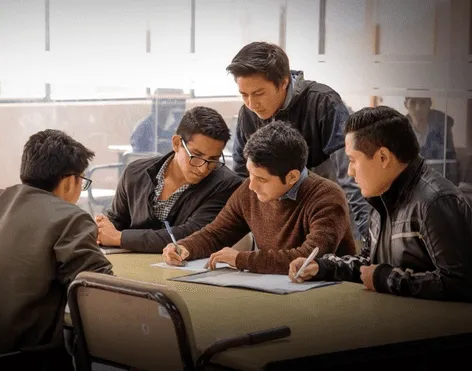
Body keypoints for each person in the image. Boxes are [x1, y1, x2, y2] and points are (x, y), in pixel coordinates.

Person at [0, 129, 113, 367]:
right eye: (82, 181)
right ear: (69, 181)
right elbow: (101, 292)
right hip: (13, 360)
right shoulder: (70, 218)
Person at [289, 106, 472, 303]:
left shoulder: (436, 202)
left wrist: (385, 278)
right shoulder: (382, 197)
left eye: (353, 160)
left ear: (383, 157)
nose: (350, 171)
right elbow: (369, 263)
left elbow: (460, 283)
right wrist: (322, 267)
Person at [162, 121, 355, 273]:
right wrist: (184, 247)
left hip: (326, 298)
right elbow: (216, 233)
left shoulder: (327, 196)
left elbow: (307, 258)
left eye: (261, 179)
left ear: (292, 177)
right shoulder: (249, 189)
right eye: (250, 174)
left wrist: (241, 259)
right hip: (272, 290)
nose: (252, 185)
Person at [227, 41, 370, 241]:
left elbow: (353, 178)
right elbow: (242, 176)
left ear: (284, 81)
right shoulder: (248, 114)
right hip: (279, 222)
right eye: (244, 95)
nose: (252, 104)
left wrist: (365, 239)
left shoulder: (323, 103)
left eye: (259, 94)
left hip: (327, 216)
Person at [95, 106, 242, 253]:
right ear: (177, 143)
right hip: (130, 264)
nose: (203, 168)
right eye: (196, 156)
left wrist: (119, 238)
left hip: (185, 270)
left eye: (213, 159)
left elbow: (192, 235)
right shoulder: (135, 173)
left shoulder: (226, 185)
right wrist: (101, 229)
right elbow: (116, 221)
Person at [404, 97, 459, 185]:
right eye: (413, 102)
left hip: (439, 182)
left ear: (429, 104)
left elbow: (450, 160)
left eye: (423, 102)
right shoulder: (401, 129)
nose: (418, 108)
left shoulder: (443, 126)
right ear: (405, 105)